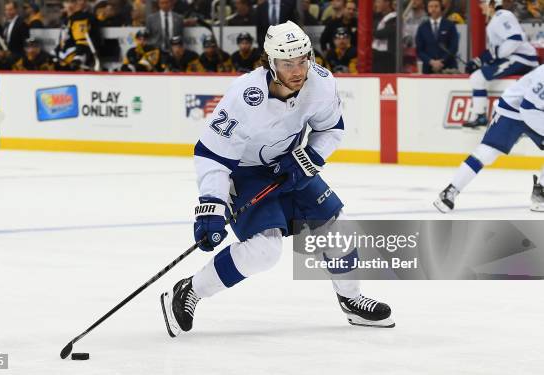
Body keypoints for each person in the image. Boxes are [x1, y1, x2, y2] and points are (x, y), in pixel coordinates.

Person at [160, 21, 394, 338]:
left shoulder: (321, 83)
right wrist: (211, 205)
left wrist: (309, 158)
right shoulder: (245, 96)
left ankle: (350, 298)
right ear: (270, 62)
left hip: (290, 165)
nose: (298, 70)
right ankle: (190, 290)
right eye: (287, 63)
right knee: (264, 252)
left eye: (303, 60)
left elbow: (331, 129)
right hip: (245, 174)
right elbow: (211, 153)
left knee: (338, 225)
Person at [434, 64, 544, 213]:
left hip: (535, 110)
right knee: (487, 153)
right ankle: (450, 191)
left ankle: (540, 194)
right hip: (512, 110)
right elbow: (528, 109)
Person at [463, 0, 538, 128]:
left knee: (477, 78)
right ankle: (480, 115)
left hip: (521, 59)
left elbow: (515, 39)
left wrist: (494, 57)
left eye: (483, 2)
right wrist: (479, 60)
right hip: (519, 58)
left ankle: (480, 116)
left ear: (492, 4)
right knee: (477, 78)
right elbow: (498, 49)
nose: (480, 6)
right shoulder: (497, 19)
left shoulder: (502, 15)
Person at [415, 0, 459, 74]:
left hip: (448, 67)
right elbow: (419, 50)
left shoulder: (450, 25)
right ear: (427, 9)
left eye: (436, 6)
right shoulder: (422, 27)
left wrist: (442, 61)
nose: (433, 9)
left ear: (441, 7)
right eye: (431, 6)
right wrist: (431, 62)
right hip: (428, 69)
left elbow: (454, 47)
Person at [372, 0, 397, 73]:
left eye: (378, 2)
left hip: (388, 57)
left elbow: (385, 33)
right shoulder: (376, 17)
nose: (376, 4)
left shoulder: (394, 17)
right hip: (375, 55)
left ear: (387, 3)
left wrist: (371, 32)